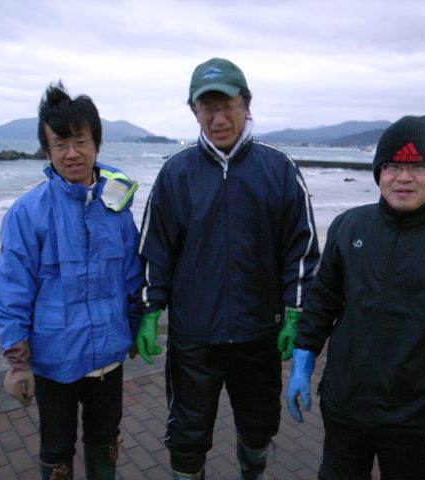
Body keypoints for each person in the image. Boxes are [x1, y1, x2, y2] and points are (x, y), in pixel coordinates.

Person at [285, 115, 425, 480]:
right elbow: (322, 302)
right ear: (379, 171)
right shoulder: (349, 227)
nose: (403, 177)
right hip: (345, 406)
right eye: (392, 166)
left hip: (418, 419)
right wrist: (302, 359)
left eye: (418, 166)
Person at [135, 57, 320, 480]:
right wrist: (149, 308)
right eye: (208, 108)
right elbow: (154, 248)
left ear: (246, 104)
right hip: (194, 334)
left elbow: (302, 246)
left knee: (259, 427)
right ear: (194, 111)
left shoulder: (278, 169)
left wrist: (296, 311)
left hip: (259, 331)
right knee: (187, 433)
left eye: (228, 106)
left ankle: (251, 469)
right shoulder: (176, 173)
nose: (218, 119)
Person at [0, 82, 142, 480]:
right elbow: (12, 290)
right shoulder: (28, 212)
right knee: (57, 451)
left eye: (80, 141)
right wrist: (17, 362)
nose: (71, 153)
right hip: (53, 360)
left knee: (105, 442)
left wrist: (133, 329)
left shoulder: (116, 207)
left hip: (109, 356)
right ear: (47, 151)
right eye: (60, 144)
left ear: (96, 144)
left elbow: (131, 276)